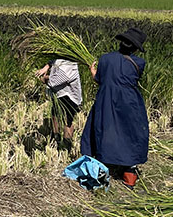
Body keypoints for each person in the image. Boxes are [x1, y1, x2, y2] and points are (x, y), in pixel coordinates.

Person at [81, 28, 148, 187]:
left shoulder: (105, 59)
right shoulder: (139, 63)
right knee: (131, 132)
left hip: (106, 100)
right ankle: (129, 174)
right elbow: (128, 79)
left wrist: (93, 73)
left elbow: (101, 79)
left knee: (104, 129)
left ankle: (102, 171)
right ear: (135, 48)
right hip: (130, 102)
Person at [35, 58, 82, 145]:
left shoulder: (69, 64)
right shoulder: (60, 58)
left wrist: (44, 79)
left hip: (69, 97)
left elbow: (55, 81)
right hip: (59, 94)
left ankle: (66, 145)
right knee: (54, 115)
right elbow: (53, 61)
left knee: (67, 120)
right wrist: (47, 66)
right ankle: (55, 139)